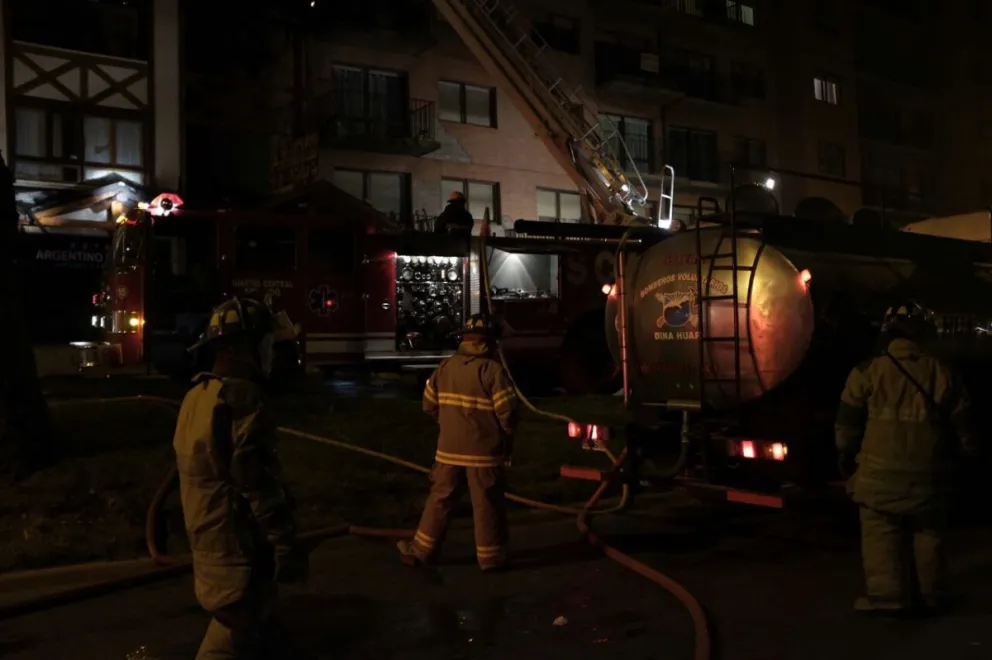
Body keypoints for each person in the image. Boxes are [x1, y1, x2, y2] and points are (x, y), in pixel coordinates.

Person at [174, 297, 309, 659]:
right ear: (240, 348)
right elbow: (258, 485)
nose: (272, 352)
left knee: (261, 634)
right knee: (234, 635)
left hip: (211, 548)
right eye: (266, 342)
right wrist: (285, 544)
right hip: (240, 555)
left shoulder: (197, 396)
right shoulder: (241, 399)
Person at [835, 301, 978, 615]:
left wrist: (845, 455)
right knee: (929, 534)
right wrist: (968, 455)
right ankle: (933, 595)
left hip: (878, 479)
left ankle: (888, 599)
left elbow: (846, 428)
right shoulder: (942, 372)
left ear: (887, 332)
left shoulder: (867, 371)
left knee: (880, 535)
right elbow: (965, 427)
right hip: (929, 476)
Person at [398, 314, 521, 571]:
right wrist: (506, 436)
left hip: (448, 451)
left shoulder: (445, 367)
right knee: (486, 504)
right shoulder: (492, 371)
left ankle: (420, 551)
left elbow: (428, 405)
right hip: (484, 454)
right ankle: (490, 558)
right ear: (489, 342)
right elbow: (508, 413)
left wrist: (449, 424)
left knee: (440, 499)